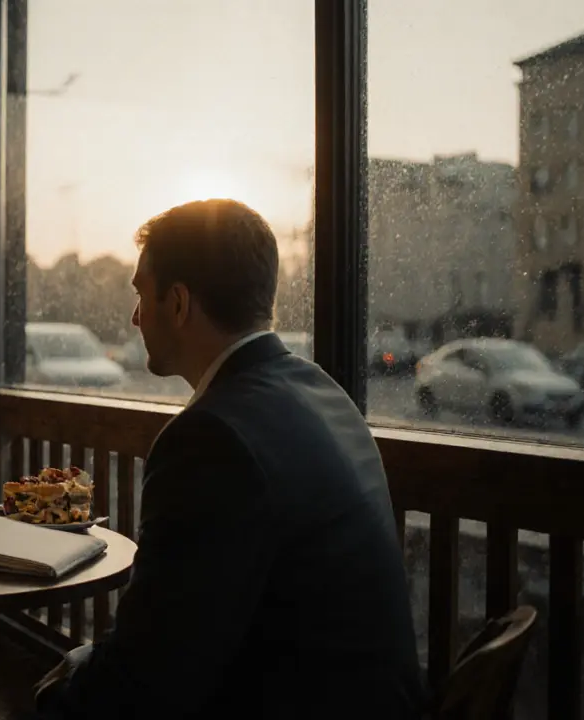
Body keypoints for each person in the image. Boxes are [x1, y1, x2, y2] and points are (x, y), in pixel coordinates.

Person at [34, 199, 424, 719]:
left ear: (177, 303)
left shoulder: (211, 439)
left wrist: (53, 694)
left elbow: (150, 678)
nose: (133, 317)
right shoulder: (320, 388)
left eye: (139, 294)